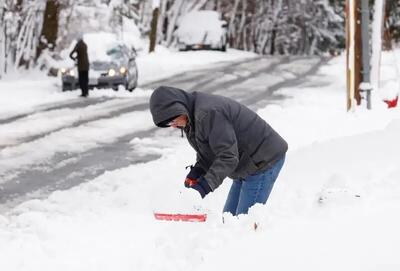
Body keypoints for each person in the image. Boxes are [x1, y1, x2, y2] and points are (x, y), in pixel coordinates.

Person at [149, 86, 288, 216]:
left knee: (243, 225)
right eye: (168, 124)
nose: (173, 126)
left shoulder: (208, 113)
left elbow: (228, 157)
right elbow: (212, 150)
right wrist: (198, 171)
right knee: (229, 218)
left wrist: (204, 187)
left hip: (263, 160)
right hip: (245, 162)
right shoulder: (190, 118)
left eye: (172, 120)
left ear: (178, 108)